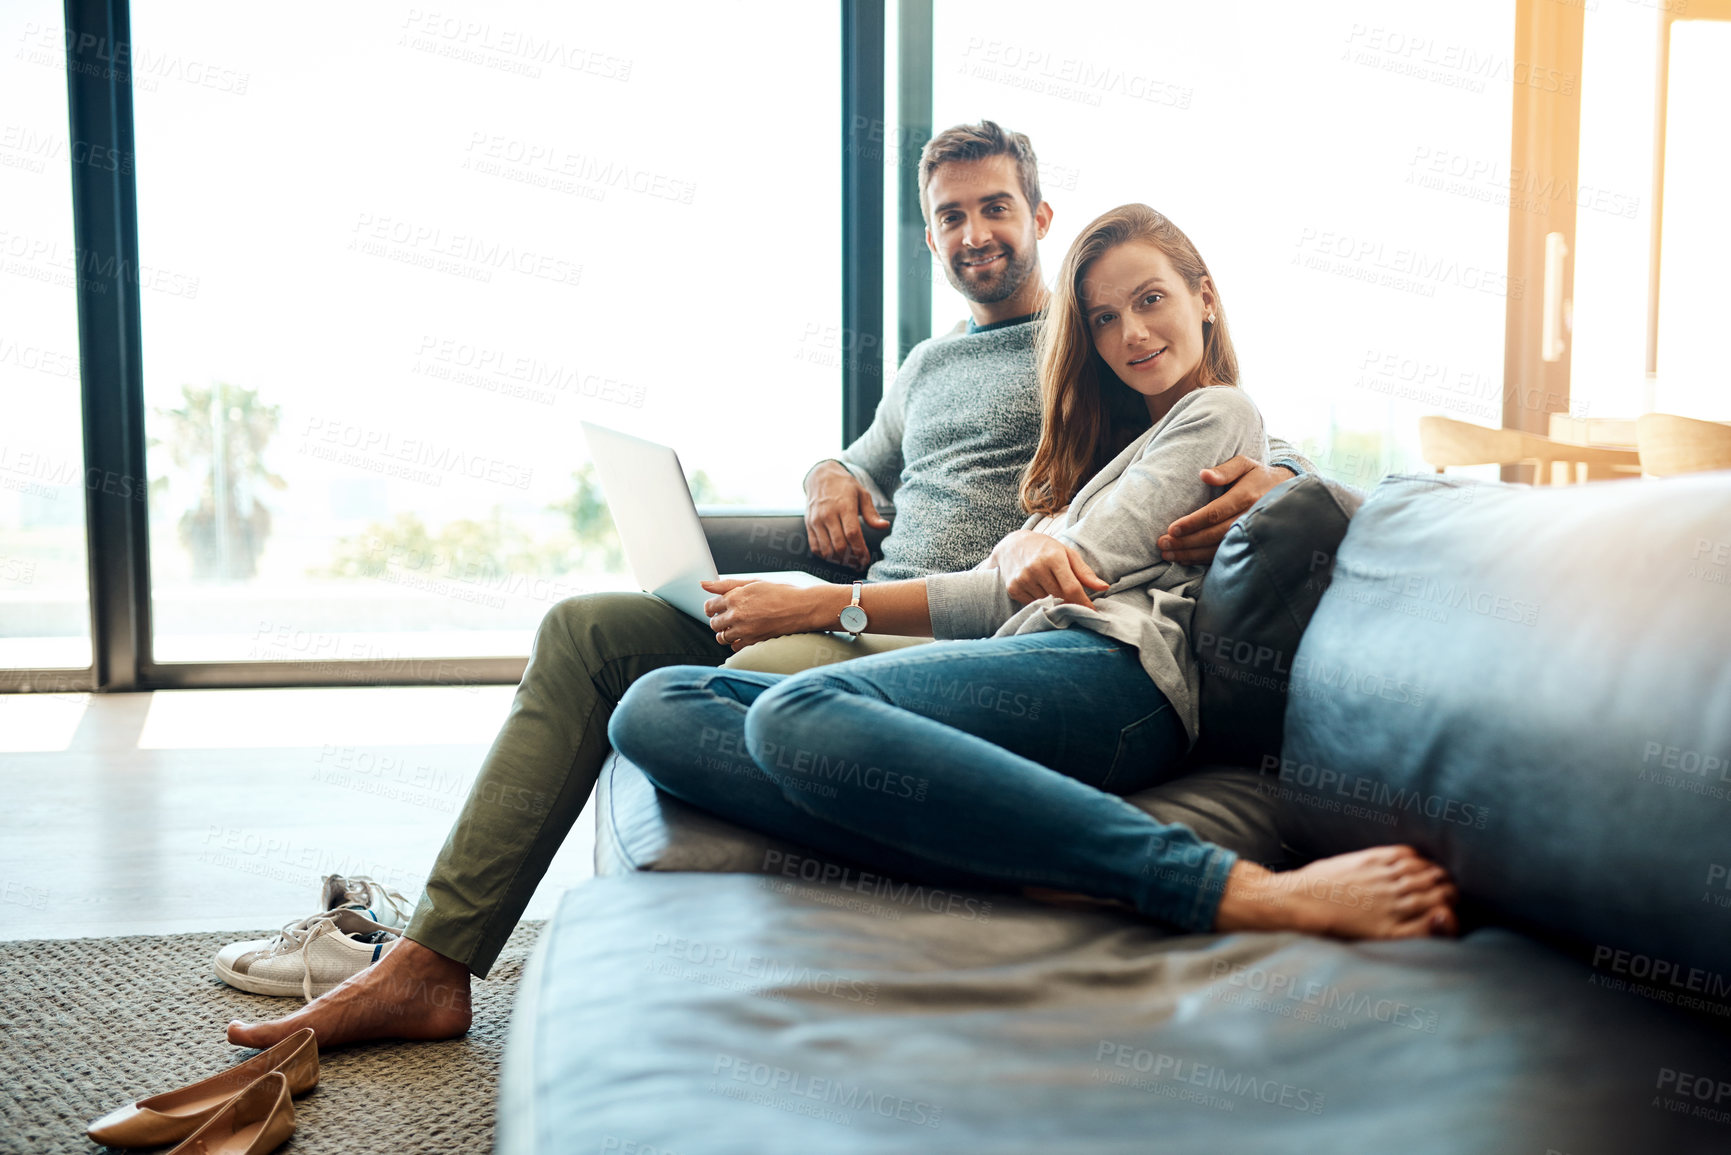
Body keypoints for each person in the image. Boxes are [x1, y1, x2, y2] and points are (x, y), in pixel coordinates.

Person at [227, 122, 1316, 1051]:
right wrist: (829, 474)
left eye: (998, 207)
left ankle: (1028, 847)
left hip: (952, 639)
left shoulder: (1087, 351)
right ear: (931, 234)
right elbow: (864, 455)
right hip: (869, 609)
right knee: (588, 636)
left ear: (1039, 214)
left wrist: (1291, 481)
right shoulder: (931, 366)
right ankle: (433, 958)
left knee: (769, 683)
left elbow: (1221, 429)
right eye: (951, 216)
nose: (976, 233)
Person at [608, 204, 1460, 941]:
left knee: (797, 712)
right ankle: (1021, 850)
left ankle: (1217, 886)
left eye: (1151, 299)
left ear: (1205, 298)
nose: (1130, 332)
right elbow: (1004, 577)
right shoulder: (1110, 452)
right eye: (1101, 318)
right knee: (653, 707)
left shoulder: (1220, 412)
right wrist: (1016, 540)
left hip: (1118, 674)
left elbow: (1063, 579)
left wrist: (824, 603)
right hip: (1030, 657)